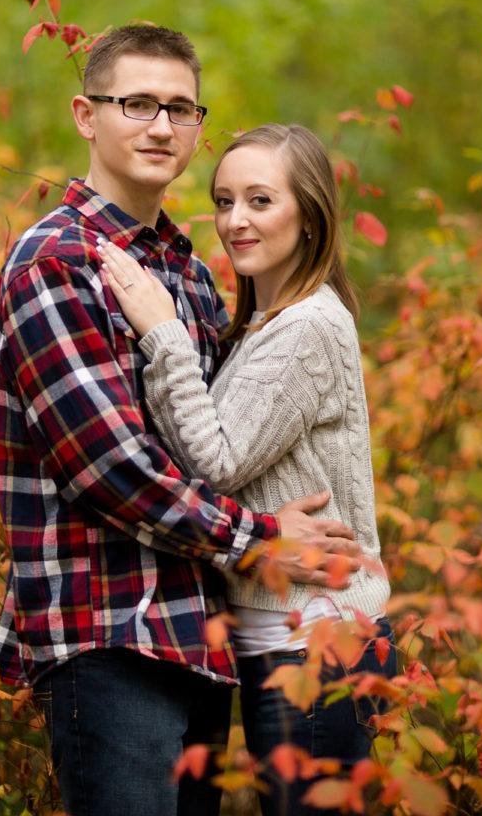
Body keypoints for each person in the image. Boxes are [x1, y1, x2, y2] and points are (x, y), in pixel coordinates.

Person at [0, 30, 363, 816]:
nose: (161, 126)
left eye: (180, 108)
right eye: (137, 104)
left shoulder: (188, 272)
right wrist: (262, 541)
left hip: (201, 634)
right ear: (86, 116)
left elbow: (215, 448)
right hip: (110, 632)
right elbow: (110, 468)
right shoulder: (56, 263)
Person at [97, 122, 396, 816]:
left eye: (260, 201)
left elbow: (216, 463)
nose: (235, 220)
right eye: (223, 200)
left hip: (317, 645)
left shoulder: (307, 328)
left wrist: (161, 331)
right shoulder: (265, 325)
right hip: (277, 643)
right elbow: (202, 456)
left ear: (311, 214)